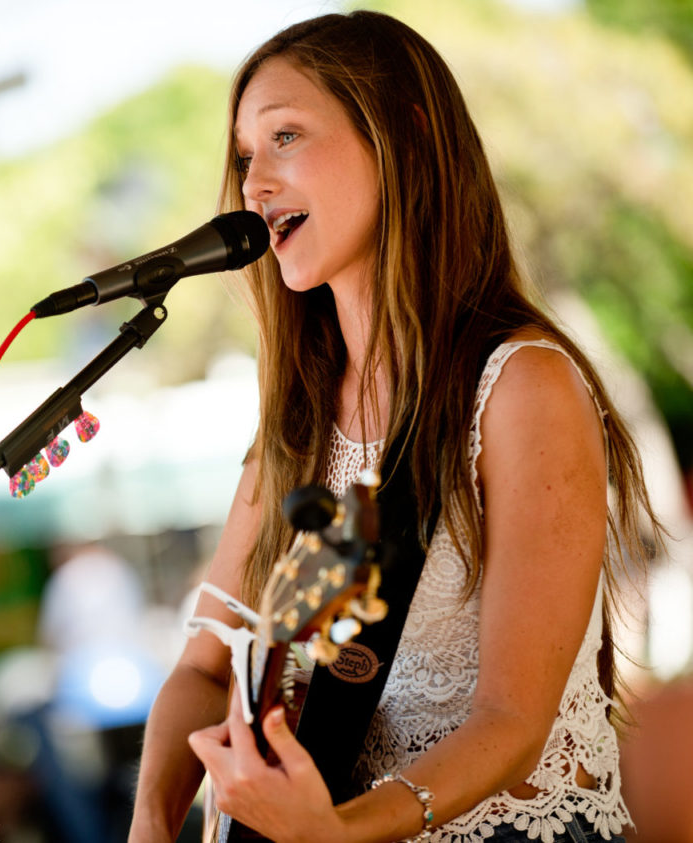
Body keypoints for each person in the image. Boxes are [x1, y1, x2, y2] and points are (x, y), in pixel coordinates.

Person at [126, 10, 662, 843]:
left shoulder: (521, 385)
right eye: (243, 158)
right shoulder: (299, 416)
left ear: (402, 135)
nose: (252, 184)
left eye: (286, 137)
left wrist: (340, 831)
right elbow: (205, 663)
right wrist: (153, 821)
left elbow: (512, 718)